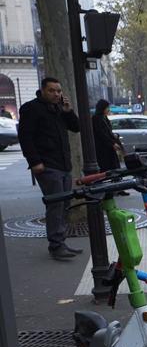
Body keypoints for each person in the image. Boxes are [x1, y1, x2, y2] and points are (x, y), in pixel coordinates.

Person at [16, 77, 82, 260]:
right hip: (47, 165)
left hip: (64, 164)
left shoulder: (60, 109)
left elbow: (76, 128)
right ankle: (56, 245)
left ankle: (61, 242)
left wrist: (68, 112)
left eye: (59, 91)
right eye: (52, 90)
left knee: (65, 205)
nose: (56, 94)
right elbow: (25, 137)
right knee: (56, 205)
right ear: (43, 90)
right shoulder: (32, 108)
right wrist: (35, 161)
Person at [92, 99, 122, 172]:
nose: (108, 109)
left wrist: (113, 136)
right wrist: (112, 143)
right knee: (108, 169)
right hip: (103, 149)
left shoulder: (104, 117)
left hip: (108, 147)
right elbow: (101, 134)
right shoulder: (96, 118)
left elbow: (107, 131)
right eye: (107, 107)